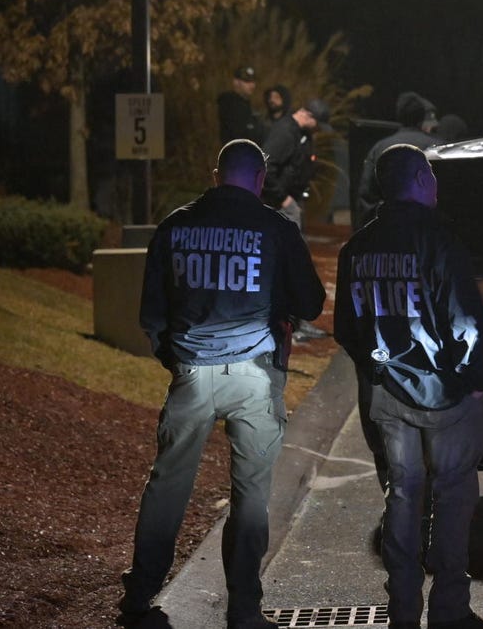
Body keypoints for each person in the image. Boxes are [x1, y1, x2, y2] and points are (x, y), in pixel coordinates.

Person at [118, 139, 326, 629]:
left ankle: (141, 593)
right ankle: (244, 609)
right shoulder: (274, 228)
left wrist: (176, 357)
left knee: (167, 485)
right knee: (250, 494)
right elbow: (313, 302)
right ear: (259, 178)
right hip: (255, 374)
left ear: (216, 175)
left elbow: (152, 311)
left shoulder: (176, 226)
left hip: (192, 373)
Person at [333, 144, 483, 629]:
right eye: (430, 174)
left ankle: (402, 610)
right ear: (418, 180)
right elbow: (464, 320)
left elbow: (347, 329)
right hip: (446, 394)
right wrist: (475, 381)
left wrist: (379, 368)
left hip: (388, 394)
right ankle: (449, 610)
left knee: (403, 496)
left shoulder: (358, 248)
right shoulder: (439, 238)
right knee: (452, 499)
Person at [357, 91, 440, 224]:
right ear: (422, 117)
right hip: (427, 228)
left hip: (389, 228)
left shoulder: (379, 147)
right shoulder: (437, 146)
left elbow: (367, 195)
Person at [262, 99, 328, 228]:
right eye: (317, 124)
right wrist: (282, 198)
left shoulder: (300, 132)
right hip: (278, 203)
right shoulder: (285, 132)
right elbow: (265, 165)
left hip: (290, 199)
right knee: (290, 243)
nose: (317, 129)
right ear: (309, 116)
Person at [218, 66, 262, 145]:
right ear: (236, 82)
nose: (252, 85)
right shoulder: (230, 105)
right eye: (247, 81)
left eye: (253, 81)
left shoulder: (247, 105)